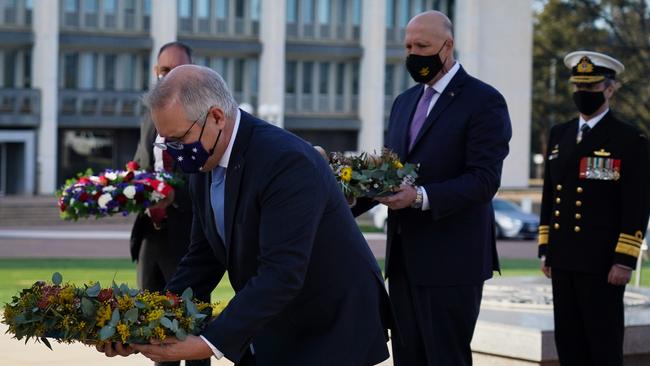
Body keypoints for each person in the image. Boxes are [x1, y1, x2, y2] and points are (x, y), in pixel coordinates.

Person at [100, 64, 392, 366]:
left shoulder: (285, 160)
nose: (174, 153)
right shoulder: (203, 160)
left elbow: (281, 272)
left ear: (216, 117)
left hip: (330, 329)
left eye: (179, 140)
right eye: (166, 142)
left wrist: (207, 343)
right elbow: (203, 258)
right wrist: (148, 323)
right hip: (274, 323)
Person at [352, 10, 512, 366]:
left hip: (452, 262)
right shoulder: (404, 102)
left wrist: (421, 197)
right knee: (408, 358)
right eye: (408, 46)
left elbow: (484, 180)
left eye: (422, 45)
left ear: (448, 45)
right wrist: (347, 196)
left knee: (445, 357)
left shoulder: (484, 101)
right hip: (404, 260)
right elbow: (390, 172)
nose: (414, 54)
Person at [538, 50, 649, 366]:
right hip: (562, 258)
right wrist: (546, 248)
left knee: (602, 344)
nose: (583, 94)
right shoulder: (559, 134)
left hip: (603, 264)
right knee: (568, 342)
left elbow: (637, 204)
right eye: (578, 87)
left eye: (591, 87)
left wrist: (625, 260)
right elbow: (550, 194)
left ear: (610, 88)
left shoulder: (629, 139)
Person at [129, 41, 210, 366]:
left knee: (190, 331)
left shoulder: (204, 119)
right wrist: (126, 186)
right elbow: (141, 162)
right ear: (155, 71)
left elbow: (209, 181)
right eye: (164, 71)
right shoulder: (150, 117)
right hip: (150, 237)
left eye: (176, 71)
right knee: (154, 332)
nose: (168, 77)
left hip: (189, 241)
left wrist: (175, 196)